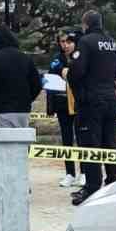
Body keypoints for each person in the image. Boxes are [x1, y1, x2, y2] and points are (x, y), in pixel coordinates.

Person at [68, 10, 116, 206]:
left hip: (91, 101)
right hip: (110, 98)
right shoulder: (112, 42)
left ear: (85, 24)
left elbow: (77, 71)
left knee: (90, 145)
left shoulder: (86, 41)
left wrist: (71, 77)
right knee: (110, 144)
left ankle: (92, 188)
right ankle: (113, 185)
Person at [0, 27, 42, 129]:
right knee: (22, 142)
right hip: (23, 110)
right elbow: (37, 84)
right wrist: (28, 100)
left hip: (2, 110)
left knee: (5, 142)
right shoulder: (26, 58)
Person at [46, 31, 80, 188]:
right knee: (67, 139)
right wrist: (50, 107)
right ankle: (70, 173)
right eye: (62, 41)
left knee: (82, 139)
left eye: (68, 41)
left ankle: (85, 172)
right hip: (62, 105)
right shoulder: (56, 60)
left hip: (80, 103)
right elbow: (50, 83)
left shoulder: (81, 56)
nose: (65, 45)